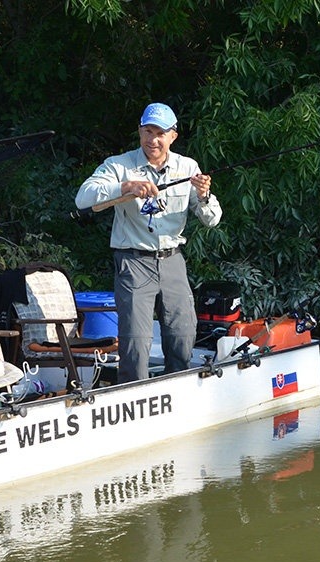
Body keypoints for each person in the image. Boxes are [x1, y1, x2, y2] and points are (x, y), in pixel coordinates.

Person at [75, 103, 222, 384]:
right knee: (136, 343)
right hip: (133, 261)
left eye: (159, 133)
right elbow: (83, 198)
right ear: (139, 131)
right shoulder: (119, 165)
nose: (152, 140)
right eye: (147, 131)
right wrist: (125, 187)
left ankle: (178, 390)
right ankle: (132, 393)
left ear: (172, 137)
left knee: (183, 333)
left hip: (173, 260)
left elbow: (211, 219)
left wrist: (204, 195)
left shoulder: (187, 166)